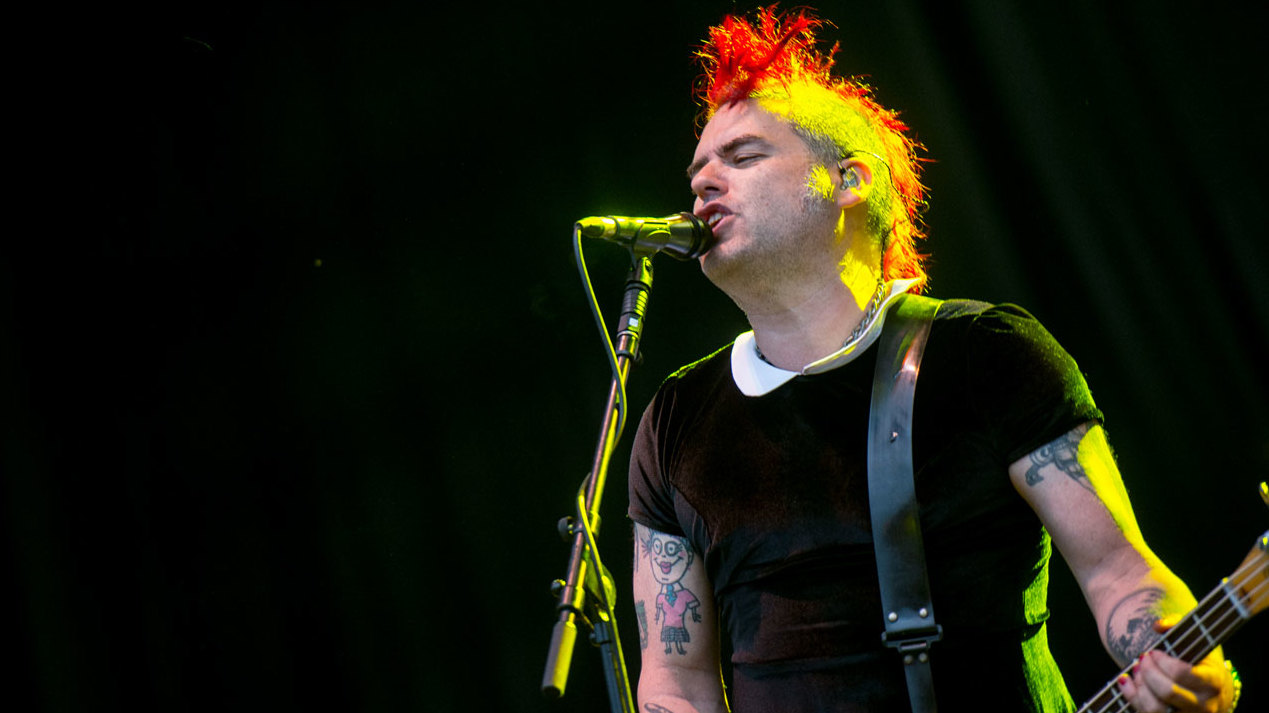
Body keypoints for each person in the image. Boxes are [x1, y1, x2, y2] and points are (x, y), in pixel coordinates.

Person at [625, 7, 1239, 713]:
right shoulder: (675, 420)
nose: (702, 183)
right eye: (698, 168)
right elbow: (675, 683)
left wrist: (1178, 660)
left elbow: (1118, 574)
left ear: (849, 180)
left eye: (742, 156)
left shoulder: (986, 355)